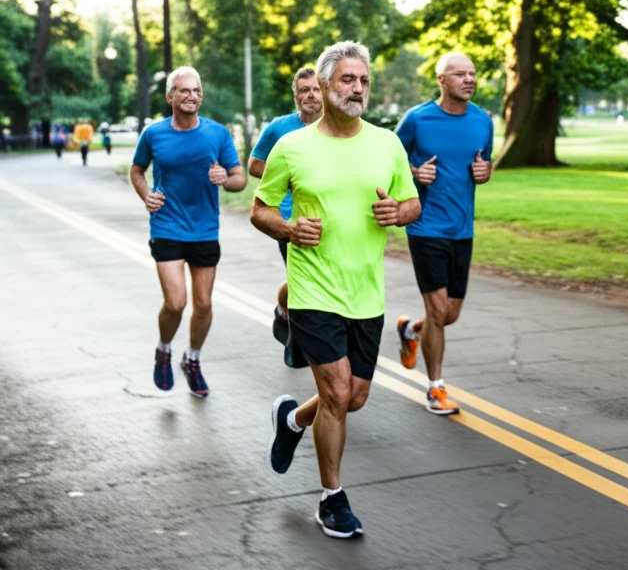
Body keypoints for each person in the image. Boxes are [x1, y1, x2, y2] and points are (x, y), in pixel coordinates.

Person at [252, 41, 419, 539]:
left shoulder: (387, 143)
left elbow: (410, 205)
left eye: (364, 80)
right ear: (323, 86)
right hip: (313, 290)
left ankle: (292, 422)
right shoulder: (293, 146)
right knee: (338, 391)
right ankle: (332, 499)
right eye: (348, 80)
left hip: (365, 292)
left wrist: (399, 213)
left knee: (353, 399)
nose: (358, 89)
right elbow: (261, 208)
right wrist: (288, 229)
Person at [129, 66, 246, 397]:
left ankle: (192, 358)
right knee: (177, 303)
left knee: (204, 304)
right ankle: (164, 348)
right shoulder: (154, 134)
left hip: (205, 228)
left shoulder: (218, 134)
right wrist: (146, 194)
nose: (192, 96)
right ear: (170, 97)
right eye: (184, 91)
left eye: (196, 91)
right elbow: (137, 170)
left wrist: (227, 179)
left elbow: (240, 179)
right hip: (166, 224)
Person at [393, 52, 494, 416]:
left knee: (449, 314)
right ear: (441, 80)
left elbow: (484, 164)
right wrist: (414, 173)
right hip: (425, 225)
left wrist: (486, 171)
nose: (469, 79)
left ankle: (411, 330)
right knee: (437, 311)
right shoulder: (418, 120)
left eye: (472, 74)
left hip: (462, 228)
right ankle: (435, 389)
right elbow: (388, 159)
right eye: (460, 74)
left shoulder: (483, 120)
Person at [248, 65, 323, 368]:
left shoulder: (342, 126)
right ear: (295, 95)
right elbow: (255, 165)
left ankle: (285, 310)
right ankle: (299, 342)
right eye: (304, 90)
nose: (310, 95)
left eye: (316, 89)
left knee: (314, 283)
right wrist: (287, 176)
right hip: (290, 219)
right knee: (304, 282)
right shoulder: (280, 128)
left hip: (330, 217)